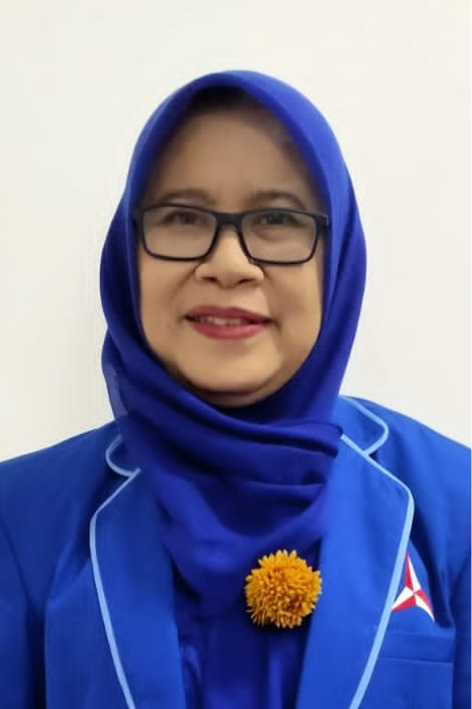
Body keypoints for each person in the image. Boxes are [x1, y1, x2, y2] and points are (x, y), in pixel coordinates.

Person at [0, 70, 469, 709]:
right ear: (129, 254)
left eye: (277, 218)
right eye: (182, 216)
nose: (227, 264)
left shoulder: (453, 511)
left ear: (337, 257)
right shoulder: (21, 519)